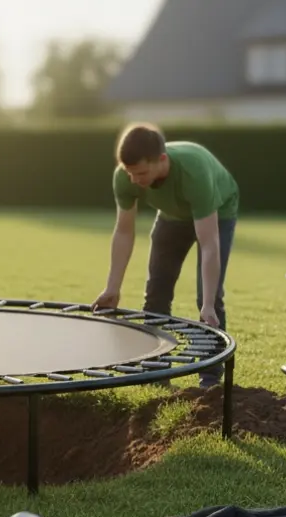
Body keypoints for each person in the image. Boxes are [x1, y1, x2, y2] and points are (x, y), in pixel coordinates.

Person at [93, 122, 239, 388]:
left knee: (210, 299)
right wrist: (112, 288)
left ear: (161, 160)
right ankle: (156, 373)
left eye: (142, 173)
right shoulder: (124, 177)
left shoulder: (194, 172)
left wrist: (206, 303)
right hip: (171, 216)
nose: (135, 180)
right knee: (156, 291)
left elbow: (209, 244)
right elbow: (124, 232)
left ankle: (209, 381)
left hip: (219, 211)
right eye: (130, 173)